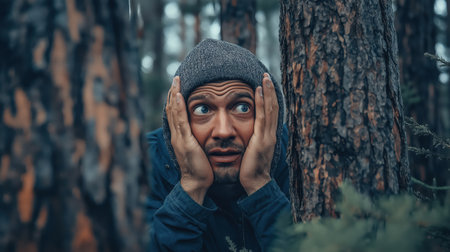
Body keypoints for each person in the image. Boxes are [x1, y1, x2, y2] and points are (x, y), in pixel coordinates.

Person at [147, 38, 290, 251]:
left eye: (242, 108)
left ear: (268, 113)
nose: (223, 131)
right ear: (178, 120)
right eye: (203, 110)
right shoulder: (148, 162)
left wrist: (260, 185)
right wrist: (192, 186)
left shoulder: (300, 156)